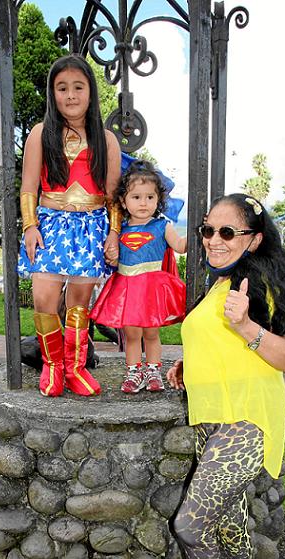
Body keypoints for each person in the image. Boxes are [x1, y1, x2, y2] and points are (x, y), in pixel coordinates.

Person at [165, 193, 285, 559]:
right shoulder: (222, 280)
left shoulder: (262, 283)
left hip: (247, 422)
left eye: (228, 232)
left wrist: (247, 326)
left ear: (255, 238)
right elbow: (214, 338)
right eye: (207, 230)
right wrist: (192, 363)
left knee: (189, 523)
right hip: (214, 415)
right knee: (226, 521)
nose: (214, 240)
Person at [17, 54, 121, 397]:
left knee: (79, 302)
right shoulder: (39, 134)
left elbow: (113, 197)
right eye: (62, 88)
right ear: (53, 93)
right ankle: (53, 365)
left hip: (90, 226)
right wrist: (31, 226)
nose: (71, 95)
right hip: (49, 224)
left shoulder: (106, 140)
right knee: (44, 299)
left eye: (79, 87)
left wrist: (113, 234)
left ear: (91, 92)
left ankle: (75, 368)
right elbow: (29, 187)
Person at [90, 160, 186, 393]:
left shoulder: (162, 226)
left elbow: (181, 247)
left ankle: (153, 370)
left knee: (151, 332)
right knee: (132, 333)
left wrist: (199, 234)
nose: (144, 203)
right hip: (127, 288)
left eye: (150, 197)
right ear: (123, 201)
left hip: (152, 287)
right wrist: (111, 256)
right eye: (136, 197)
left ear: (158, 200)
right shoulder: (118, 229)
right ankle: (134, 371)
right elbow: (112, 258)